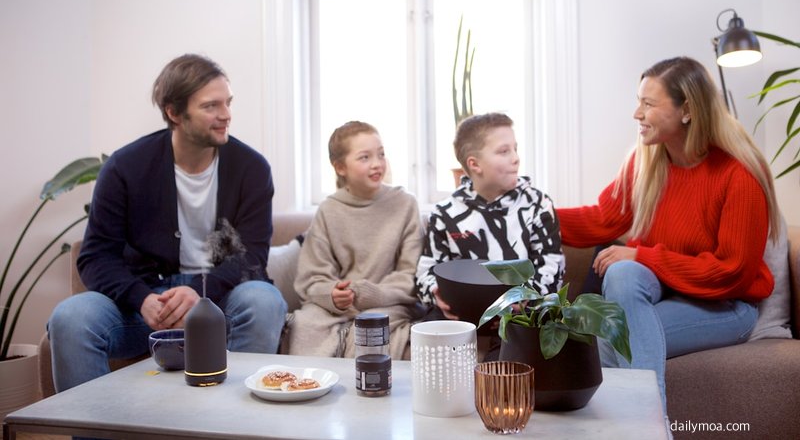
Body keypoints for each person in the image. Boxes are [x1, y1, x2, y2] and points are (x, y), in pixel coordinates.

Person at [48, 54, 287, 392]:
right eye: (211, 106)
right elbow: (96, 256)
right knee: (71, 318)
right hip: (146, 305)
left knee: (264, 301)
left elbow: (251, 257)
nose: (226, 115)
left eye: (228, 103)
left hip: (221, 301)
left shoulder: (251, 168)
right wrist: (141, 298)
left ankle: (234, 427)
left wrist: (200, 291)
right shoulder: (125, 167)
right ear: (174, 113)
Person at [556, 56, 781, 411]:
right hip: (663, 292)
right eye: (638, 102)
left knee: (609, 338)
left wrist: (644, 255)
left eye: (648, 104)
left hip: (726, 306)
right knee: (622, 272)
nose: (636, 114)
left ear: (686, 109)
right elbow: (603, 219)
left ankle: (641, 428)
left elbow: (732, 273)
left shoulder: (738, 176)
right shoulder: (647, 163)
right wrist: (534, 212)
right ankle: (641, 428)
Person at [286, 121, 423, 358]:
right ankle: (311, 388)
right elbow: (311, 278)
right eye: (364, 158)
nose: (377, 164)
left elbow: (410, 274)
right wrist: (332, 295)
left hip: (390, 303)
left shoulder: (405, 204)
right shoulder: (329, 210)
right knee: (305, 323)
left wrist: (373, 294)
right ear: (340, 167)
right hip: (335, 309)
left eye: (381, 154)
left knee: (372, 327)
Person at [416, 112, 565, 320]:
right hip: (460, 315)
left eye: (515, 149)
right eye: (504, 151)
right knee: (430, 326)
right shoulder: (444, 213)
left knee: (518, 336)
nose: (515, 158)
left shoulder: (538, 204)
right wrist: (435, 293)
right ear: (475, 164)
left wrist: (522, 301)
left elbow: (551, 267)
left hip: (519, 314)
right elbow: (427, 271)